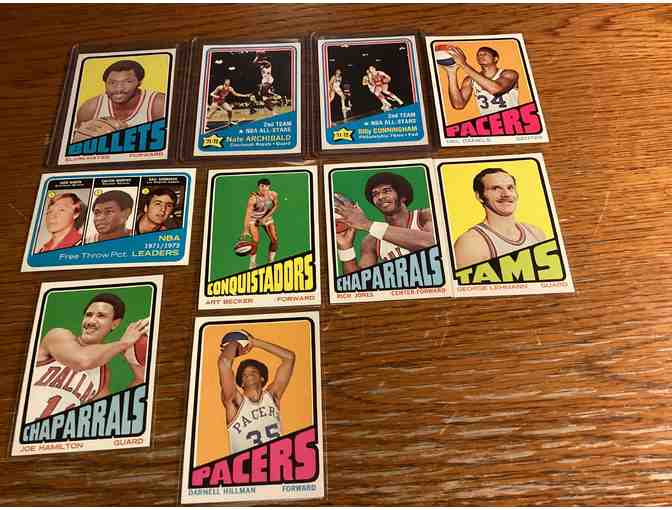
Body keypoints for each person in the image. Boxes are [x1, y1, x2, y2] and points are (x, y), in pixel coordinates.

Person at [27, 293, 148, 422]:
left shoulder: (102, 375)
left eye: (101, 316)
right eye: (88, 315)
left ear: (115, 323)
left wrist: (136, 364)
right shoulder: (57, 336)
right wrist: (123, 343)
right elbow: (82, 361)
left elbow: (112, 415)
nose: (90, 321)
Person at [334, 172, 435, 275]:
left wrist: (366, 224)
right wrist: (345, 247)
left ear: (403, 196)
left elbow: (432, 243)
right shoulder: (371, 241)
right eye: (375, 194)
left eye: (387, 191)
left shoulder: (426, 216)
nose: (380, 197)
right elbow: (359, 280)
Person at [217, 330, 295, 454]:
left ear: (262, 378)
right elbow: (224, 362)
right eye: (244, 374)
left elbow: (289, 358)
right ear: (241, 383)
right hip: (248, 464)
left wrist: (255, 342)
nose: (249, 375)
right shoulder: (235, 402)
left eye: (253, 372)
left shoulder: (272, 396)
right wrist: (234, 343)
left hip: (276, 461)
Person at [454, 168, 546, 269]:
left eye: (510, 188)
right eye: (496, 189)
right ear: (479, 196)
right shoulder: (470, 243)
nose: (506, 194)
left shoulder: (535, 233)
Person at [74, 60, 166, 139]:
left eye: (128, 82)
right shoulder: (90, 108)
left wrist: (129, 136)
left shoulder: (159, 104)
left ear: (139, 82)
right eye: (112, 83)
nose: (119, 89)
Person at [438, 45, 519, 115]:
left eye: (485, 54)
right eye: (479, 55)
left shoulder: (510, 74)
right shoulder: (470, 79)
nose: (481, 56)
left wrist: (463, 64)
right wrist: (451, 72)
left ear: (495, 59)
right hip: (489, 124)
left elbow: (496, 90)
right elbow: (458, 105)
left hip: (511, 122)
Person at [242, 178, 279, 270]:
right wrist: (246, 230)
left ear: (269, 187)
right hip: (254, 219)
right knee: (255, 241)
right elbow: (248, 215)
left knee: (275, 240)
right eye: (262, 186)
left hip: (266, 217)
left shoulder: (273, 194)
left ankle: (271, 261)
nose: (264, 188)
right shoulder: (253, 199)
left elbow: (275, 206)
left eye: (266, 186)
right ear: (258, 187)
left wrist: (265, 218)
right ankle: (252, 264)